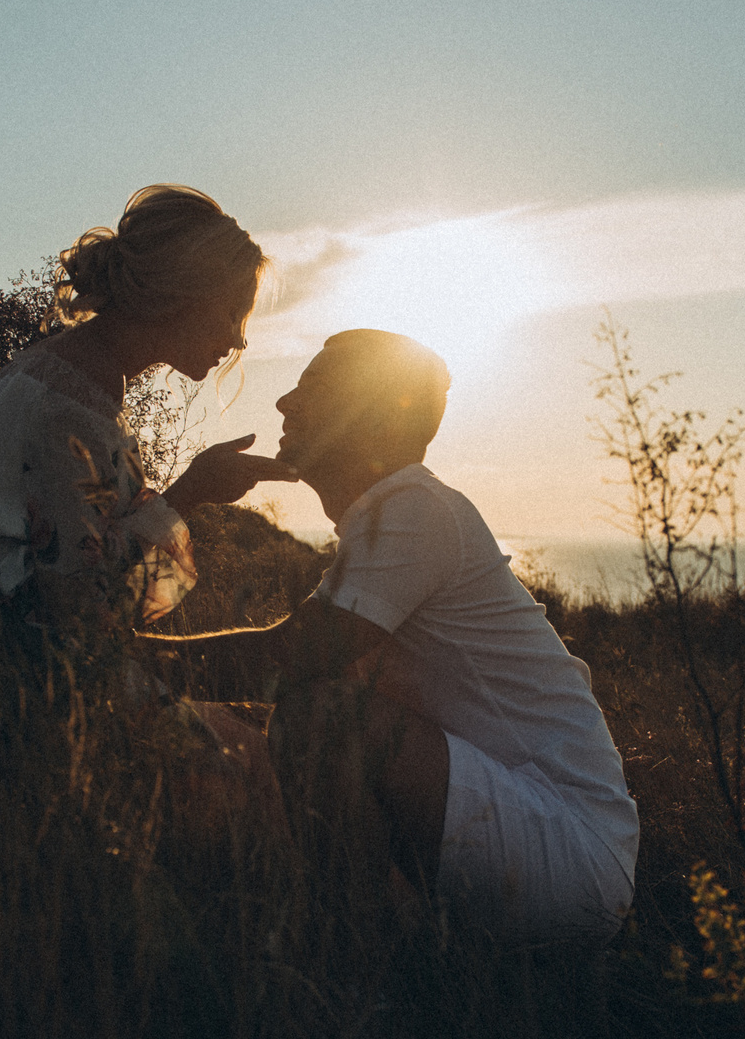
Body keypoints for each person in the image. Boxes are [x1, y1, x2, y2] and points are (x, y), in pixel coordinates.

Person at [144, 330, 638, 941]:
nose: (284, 402)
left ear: (375, 421)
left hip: (571, 851)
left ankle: (362, 962)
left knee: (322, 718)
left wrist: (115, 658)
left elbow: (284, 659)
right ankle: (402, 937)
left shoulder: (414, 509)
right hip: (532, 828)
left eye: (313, 387)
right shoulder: (388, 519)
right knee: (240, 734)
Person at [0, 185, 295, 625]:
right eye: (232, 313)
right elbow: (74, 586)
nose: (238, 340)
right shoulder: (72, 399)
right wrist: (192, 491)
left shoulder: (66, 372)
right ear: (181, 294)